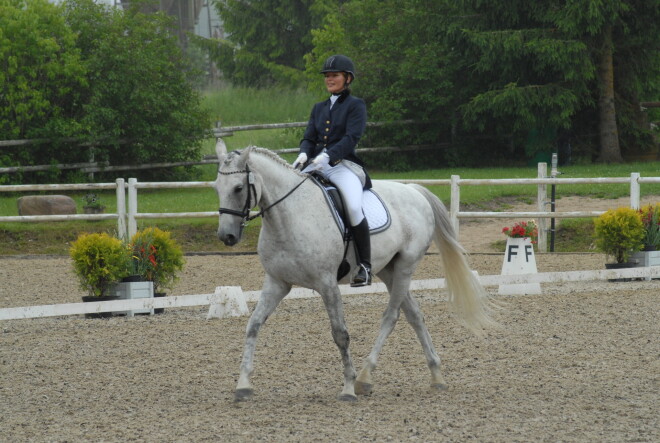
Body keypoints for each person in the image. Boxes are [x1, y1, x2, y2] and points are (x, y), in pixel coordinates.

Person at [292, 54, 372, 287]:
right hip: (315, 165)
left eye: (334, 75)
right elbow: (309, 137)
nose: (330, 79)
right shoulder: (319, 108)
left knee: (354, 207)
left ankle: (365, 266)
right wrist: (304, 153)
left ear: (347, 78)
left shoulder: (355, 105)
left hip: (342, 165)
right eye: (327, 76)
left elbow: (351, 137)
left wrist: (328, 155)